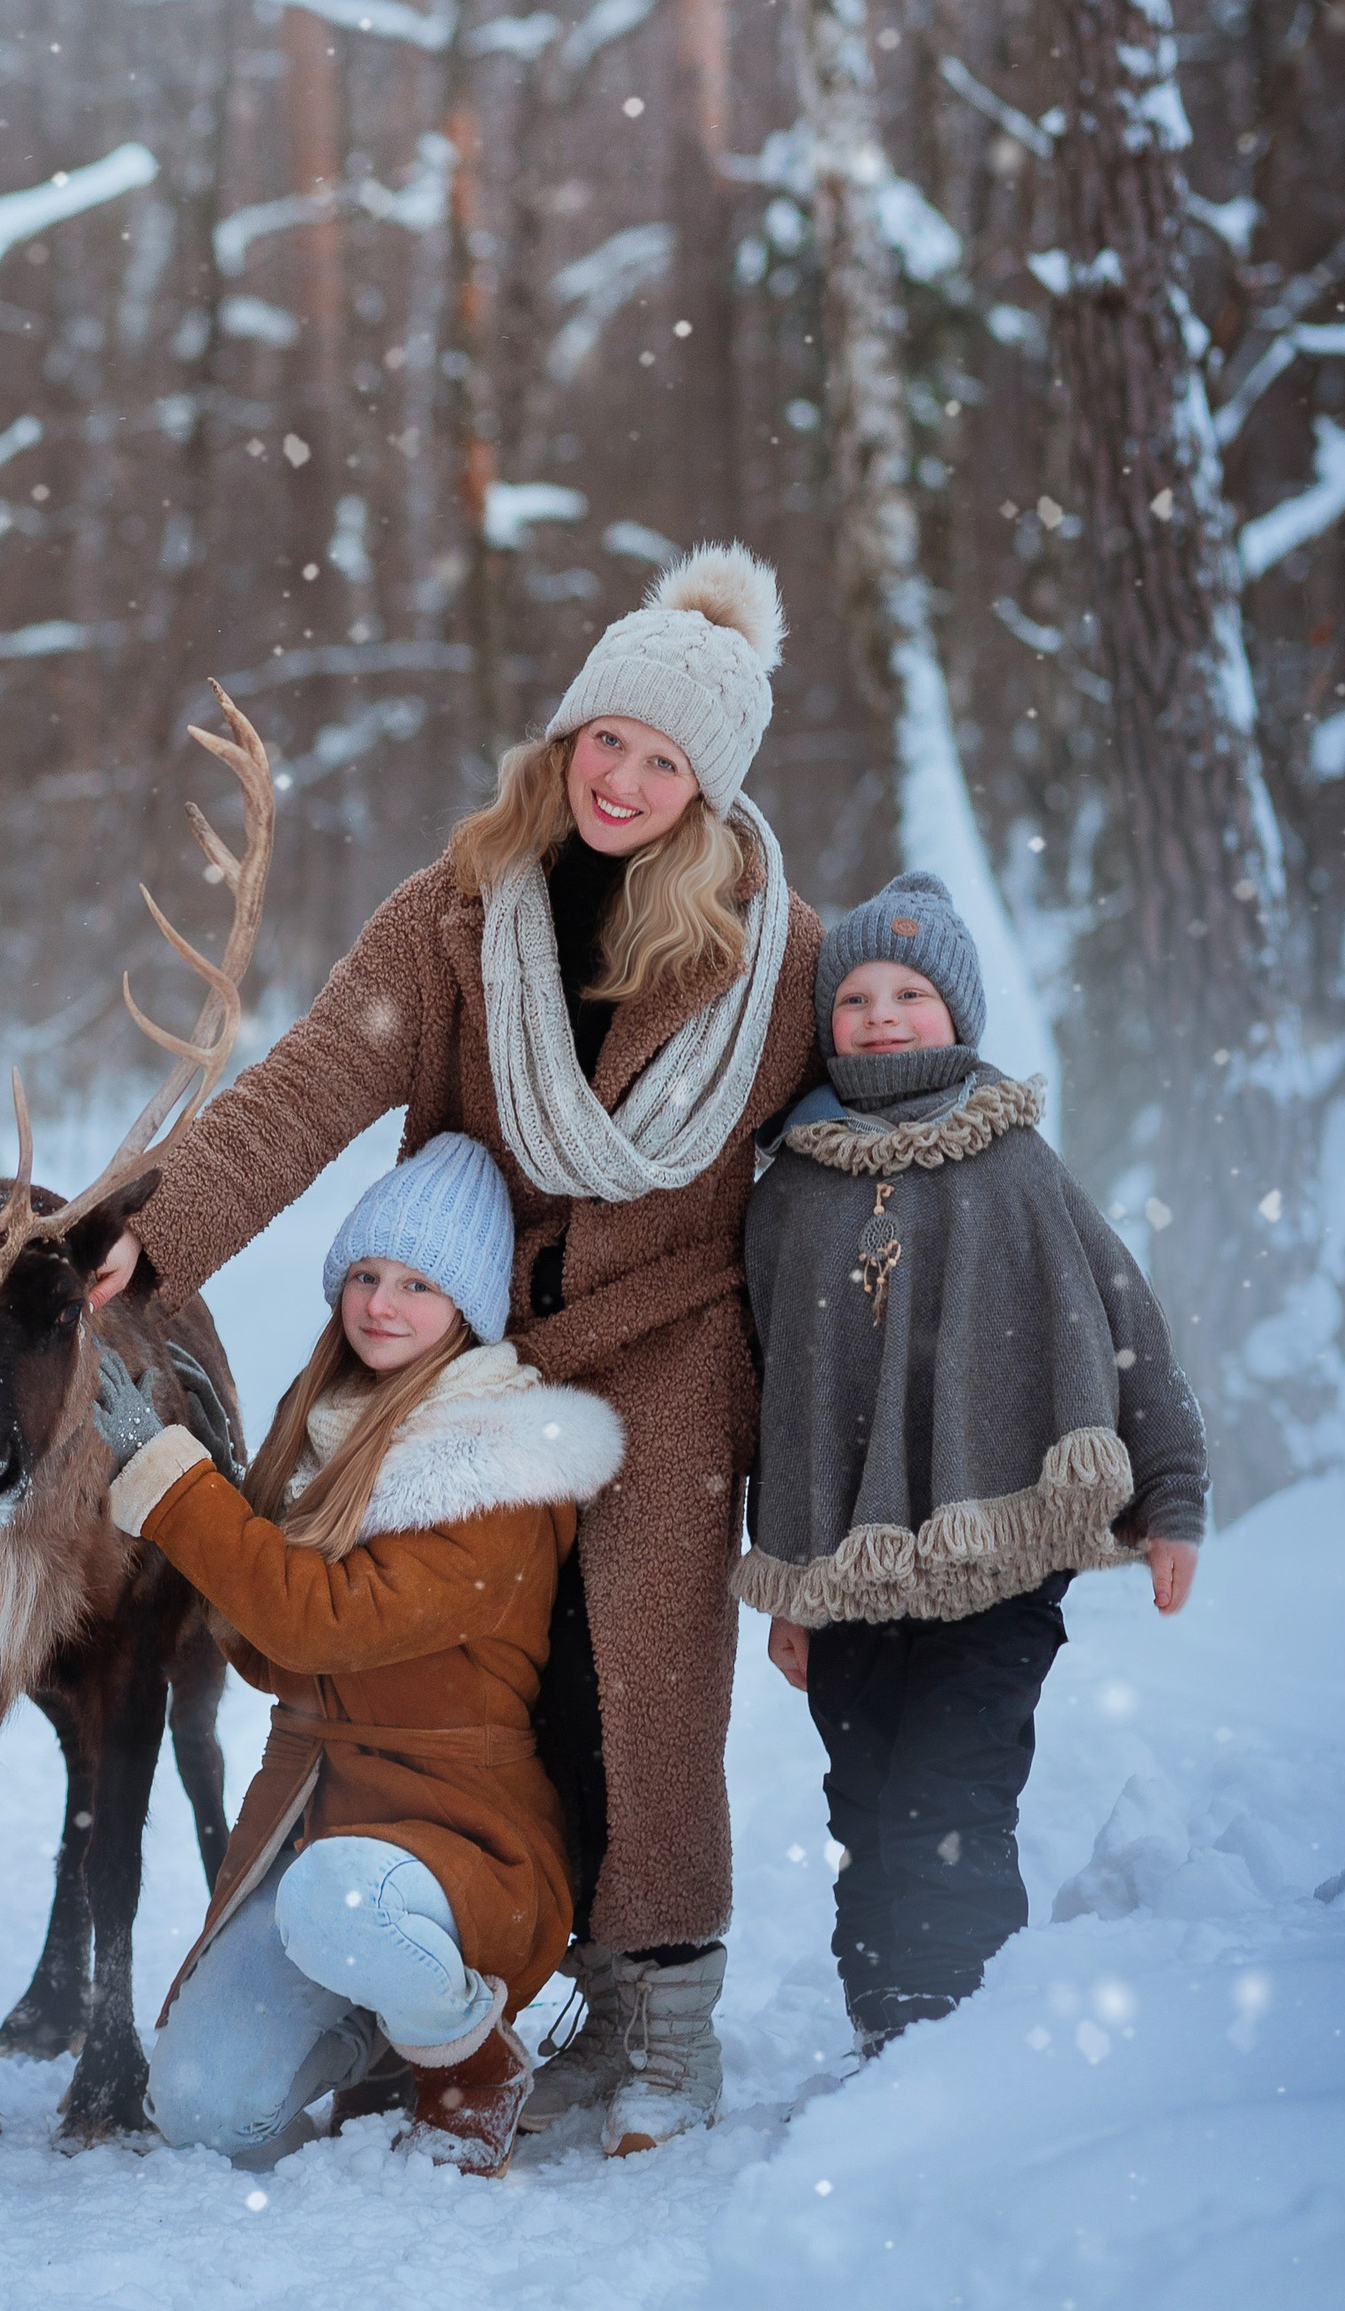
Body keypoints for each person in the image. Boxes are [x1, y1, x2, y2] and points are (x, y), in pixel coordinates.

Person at [87, 546, 821, 2152]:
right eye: (605, 739)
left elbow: (837, 1167)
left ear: (710, 792)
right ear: (565, 737)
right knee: (454, 1664)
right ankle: (441, 1971)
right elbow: (302, 1088)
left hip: (672, 1351)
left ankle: (658, 2019)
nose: (621, 780)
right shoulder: (456, 915)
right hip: (465, 1339)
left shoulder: (776, 964)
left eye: (664, 762)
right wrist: (162, 1232)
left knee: (646, 1691)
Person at [739, 872, 1206, 2053]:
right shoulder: (788, 1189)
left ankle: (949, 2042)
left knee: (947, 1799)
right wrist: (789, 1585)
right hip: (851, 1573)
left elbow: (1125, 1322)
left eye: (909, 993)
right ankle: (884, 2033)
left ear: (957, 1010)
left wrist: (1171, 1493)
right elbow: (779, 1399)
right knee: (863, 1807)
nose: (880, 1016)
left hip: (999, 1556)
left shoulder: (1012, 1162)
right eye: (855, 997)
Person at [92, 1135, 622, 2175]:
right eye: (366, 1275)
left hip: (467, 1845)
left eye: (419, 1284)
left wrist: (177, 1491)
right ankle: (384, 2038)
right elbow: (278, 1656)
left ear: (468, 1305)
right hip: (326, 1829)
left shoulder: (497, 1469)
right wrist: (226, 1531)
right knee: (201, 2110)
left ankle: (471, 2062)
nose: (381, 1304)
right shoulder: (326, 1425)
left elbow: (320, 1623)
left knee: (338, 1897)